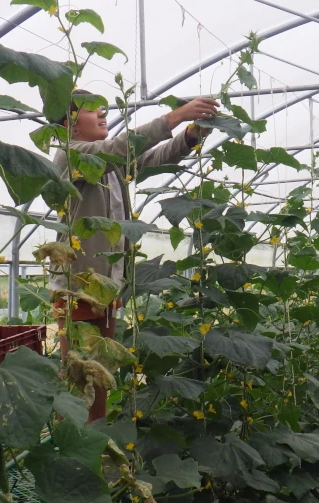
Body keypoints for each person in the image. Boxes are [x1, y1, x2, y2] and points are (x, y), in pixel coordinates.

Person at [51, 90, 220, 421]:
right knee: (80, 376)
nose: (102, 112)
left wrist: (190, 135)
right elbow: (119, 147)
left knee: (98, 375)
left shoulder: (109, 165)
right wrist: (174, 116)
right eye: (91, 110)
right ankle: (73, 447)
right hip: (79, 288)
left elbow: (152, 158)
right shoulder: (71, 156)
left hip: (106, 287)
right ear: (70, 124)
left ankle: (94, 444)